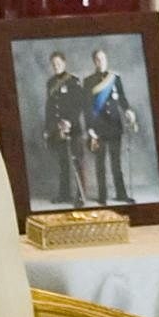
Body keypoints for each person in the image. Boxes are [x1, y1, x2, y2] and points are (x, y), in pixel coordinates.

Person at [85, 45, 136, 203]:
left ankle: (121, 194)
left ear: (106, 60)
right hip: (98, 127)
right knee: (100, 163)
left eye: (103, 58)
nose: (100, 61)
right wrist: (90, 129)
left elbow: (122, 99)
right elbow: (86, 107)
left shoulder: (115, 78)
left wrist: (128, 110)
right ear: (94, 61)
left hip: (114, 126)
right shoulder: (89, 81)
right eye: (97, 59)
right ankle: (102, 196)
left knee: (116, 163)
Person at [41, 49, 90, 205]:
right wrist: (48, 129)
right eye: (53, 64)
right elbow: (49, 108)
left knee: (77, 161)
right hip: (57, 129)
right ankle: (64, 194)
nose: (56, 66)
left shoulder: (73, 81)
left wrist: (69, 121)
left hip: (73, 128)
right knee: (63, 163)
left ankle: (81, 196)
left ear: (64, 63)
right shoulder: (50, 83)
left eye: (58, 63)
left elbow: (80, 104)